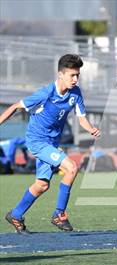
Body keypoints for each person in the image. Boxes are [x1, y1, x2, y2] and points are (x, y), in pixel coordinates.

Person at [0, 54, 101, 234]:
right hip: (37, 141)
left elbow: (82, 118)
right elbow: (15, 106)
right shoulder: (45, 93)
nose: (76, 79)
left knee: (42, 185)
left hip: (52, 143)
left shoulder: (76, 93)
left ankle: (16, 214)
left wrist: (91, 128)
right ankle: (58, 214)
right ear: (60, 75)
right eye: (72, 75)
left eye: (77, 75)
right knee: (71, 168)